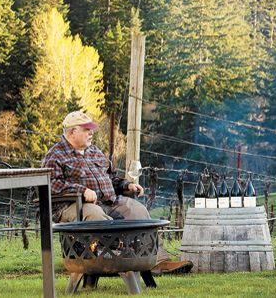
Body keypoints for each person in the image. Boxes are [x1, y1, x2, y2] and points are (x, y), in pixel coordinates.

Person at [42, 110, 192, 275]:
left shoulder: (94, 151)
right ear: (72, 132)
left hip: (108, 201)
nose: (91, 132)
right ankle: (117, 260)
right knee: (95, 216)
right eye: (86, 129)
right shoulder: (55, 155)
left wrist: (126, 185)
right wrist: (81, 190)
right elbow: (50, 184)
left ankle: (158, 261)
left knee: (137, 210)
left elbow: (111, 177)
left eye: (91, 129)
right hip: (73, 206)